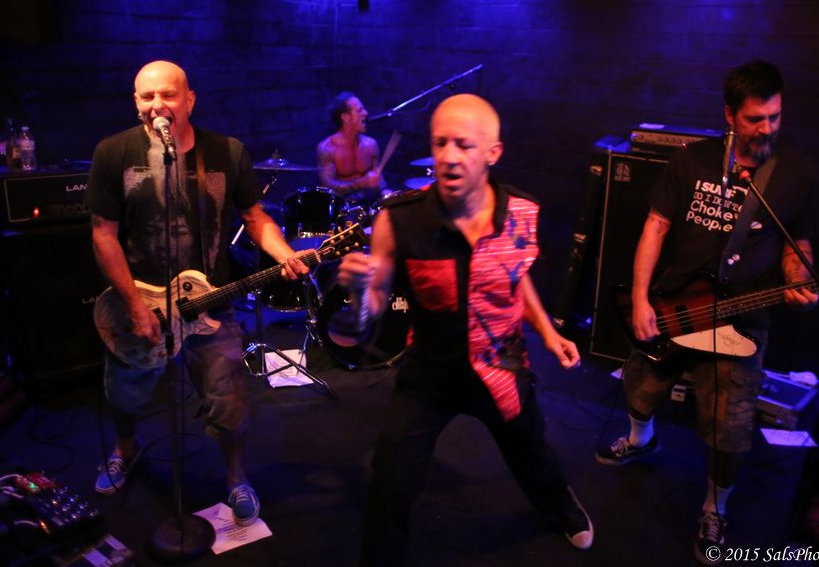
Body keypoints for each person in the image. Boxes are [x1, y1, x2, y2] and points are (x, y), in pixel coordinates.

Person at [337, 93, 594, 564]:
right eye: (440, 143)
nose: (449, 156)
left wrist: (547, 331)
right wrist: (357, 293)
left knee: (532, 453)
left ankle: (561, 507)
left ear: (493, 153)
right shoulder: (400, 220)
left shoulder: (522, 213)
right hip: (429, 373)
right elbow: (372, 309)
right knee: (391, 477)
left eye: (463, 145)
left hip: (501, 366)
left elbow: (515, 278)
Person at [594, 60, 819, 564]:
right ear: (729, 115)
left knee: (729, 425)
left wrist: (799, 277)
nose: (767, 129)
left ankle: (715, 507)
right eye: (755, 119)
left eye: (775, 117)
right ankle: (641, 440)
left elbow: (797, 242)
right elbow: (655, 226)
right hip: (677, 303)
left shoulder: (797, 174)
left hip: (742, 320)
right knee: (642, 386)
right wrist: (640, 298)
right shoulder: (692, 161)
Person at [85, 60, 308, 526]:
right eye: (147, 97)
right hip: (139, 304)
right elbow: (103, 233)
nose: (157, 105)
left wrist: (285, 254)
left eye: (167, 95)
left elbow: (255, 217)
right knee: (126, 393)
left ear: (189, 100)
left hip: (211, 303)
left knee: (230, 403)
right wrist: (133, 305)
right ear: (135, 102)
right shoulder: (113, 152)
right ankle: (126, 449)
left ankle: (235, 478)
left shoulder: (226, 152)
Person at [316, 91, 389, 204]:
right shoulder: (327, 148)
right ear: (346, 117)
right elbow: (327, 188)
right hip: (341, 209)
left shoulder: (371, 144)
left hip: (367, 206)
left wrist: (385, 190)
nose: (366, 113)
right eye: (360, 110)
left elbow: (378, 178)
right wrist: (362, 183)